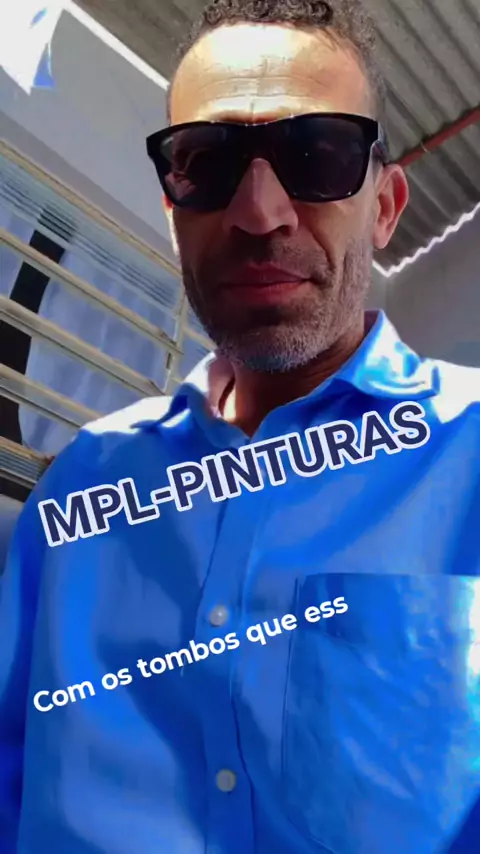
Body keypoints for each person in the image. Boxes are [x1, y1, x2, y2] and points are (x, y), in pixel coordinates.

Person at [1, 0, 480, 852]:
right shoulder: (79, 487)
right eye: (207, 163)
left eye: (318, 156)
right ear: (172, 206)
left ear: (386, 207)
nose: (260, 213)